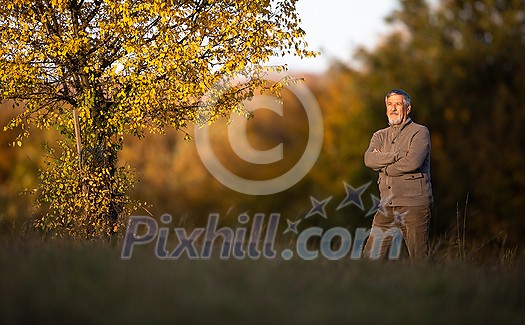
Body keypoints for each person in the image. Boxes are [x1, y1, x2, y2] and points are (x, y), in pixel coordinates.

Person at [363, 89, 433, 260]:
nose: (393, 108)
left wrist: (384, 165)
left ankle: (428, 286)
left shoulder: (420, 132)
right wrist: (397, 155)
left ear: (407, 108)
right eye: (390, 104)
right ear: (386, 109)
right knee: (369, 259)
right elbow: (369, 159)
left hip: (414, 205)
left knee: (419, 259)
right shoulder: (379, 135)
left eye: (398, 104)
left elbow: (413, 162)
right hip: (386, 206)